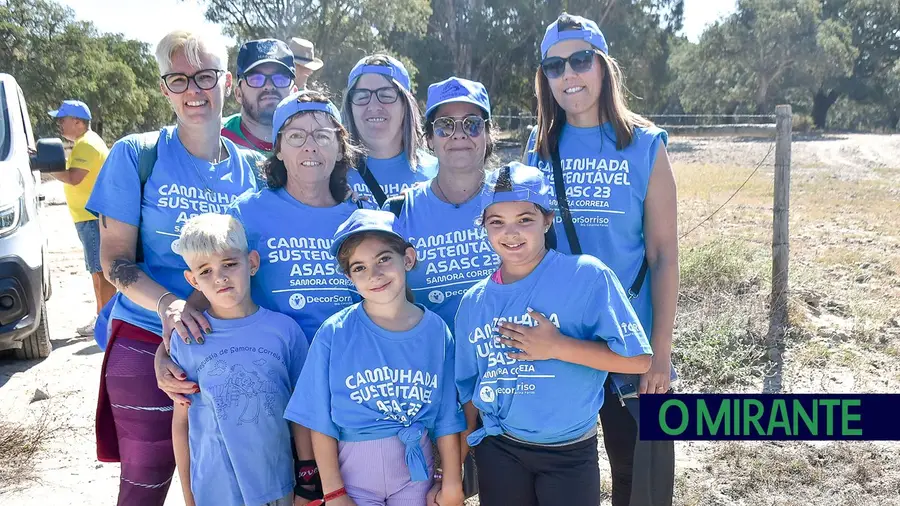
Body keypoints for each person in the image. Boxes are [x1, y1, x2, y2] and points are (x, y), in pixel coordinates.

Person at [86, 29, 263, 505]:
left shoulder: (255, 170)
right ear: (164, 88)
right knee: (144, 488)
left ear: (227, 81)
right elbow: (114, 261)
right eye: (178, 80)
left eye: (204, 76)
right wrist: (169, 308)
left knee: (226, 484)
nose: (194, 91)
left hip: (229, 345)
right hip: (145, 338)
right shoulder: (136, 154)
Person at [524, 13, 680, 506]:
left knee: (642, 479)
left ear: (603, 66)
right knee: (563, 471)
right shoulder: (539, 146)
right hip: (558, 339)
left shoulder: (645, 144)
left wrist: (660, 353)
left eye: (580, 60)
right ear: (545, 78)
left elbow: (664, 253)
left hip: (631, 340)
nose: (569, 75)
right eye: (554, 66)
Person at [454, 162, 653, 506]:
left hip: (569, 451)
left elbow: (638, 359)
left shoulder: (586, 276)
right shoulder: (474, 302)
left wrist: (557, 346)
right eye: (496, 222)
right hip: (500, 447)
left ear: (547, 220)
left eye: (525, 219)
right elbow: (470, 391)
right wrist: (457, 461)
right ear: (483, 226)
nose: (511, 232)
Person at [285, 209, 465, 506]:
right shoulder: (335, 332)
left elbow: (448, 416)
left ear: (407, 259)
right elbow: (318, 419)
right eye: (359, 268)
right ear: (349, 277)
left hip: (415, 477)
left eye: (384, 259)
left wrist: (452, 483)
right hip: (354, 481)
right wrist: (334, 492)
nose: (374, 275)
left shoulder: (436, 331)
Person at [170, 213, 308, 506]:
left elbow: (303, 414)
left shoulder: (285, 332)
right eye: (205, 271)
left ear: (253, 263)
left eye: (230, 264)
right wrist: (188, 495)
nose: (219, 277)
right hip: (214, 490)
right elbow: (181, 423)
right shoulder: (188, 339)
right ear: (192, 279)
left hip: (278, 486)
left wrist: (309, 479)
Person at [388, 77, 498, 329]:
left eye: (472, 124)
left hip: (506, 363)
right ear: (428, 139)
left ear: (488, 135)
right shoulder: (399, 212)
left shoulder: (515, 200)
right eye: (444, 126)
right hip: (429, 363)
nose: (458, 134)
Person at [46, 99, 115, 336]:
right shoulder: (84, 143)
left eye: (63, 120)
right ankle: (102, 318)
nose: (60, 125)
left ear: (77, 122)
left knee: (101, 273)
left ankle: (105, 322)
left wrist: (42, 166)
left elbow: (74, 177)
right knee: (97, 272)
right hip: (88, 217)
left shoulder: (87, 145)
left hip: (91, 217)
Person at [341, 54, 437, 207]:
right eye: (362, 97)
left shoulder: (437, 174)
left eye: (386, 96)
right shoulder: (333, 177)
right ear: (350, 108)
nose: (373, 106)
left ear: (406, 105)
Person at [222, 39, 297, 154]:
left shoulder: (308, 144)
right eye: (256, 79)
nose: (269, 86)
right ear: (238, 94)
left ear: (294, 92)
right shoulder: (217, 138)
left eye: (280, 79)